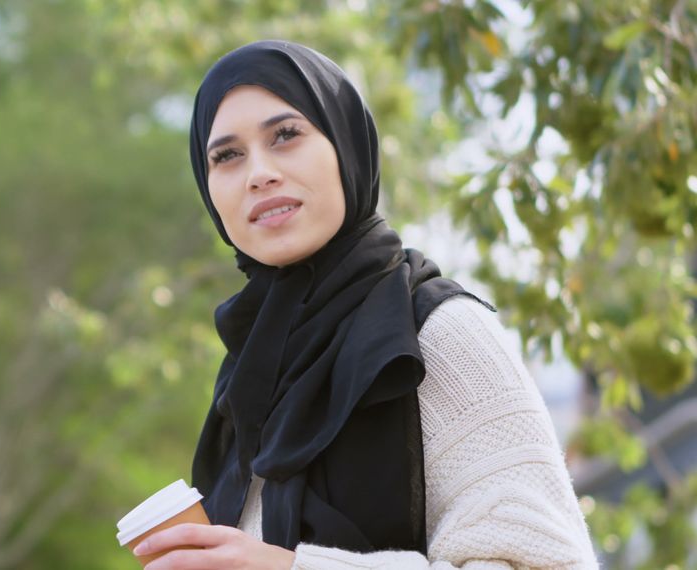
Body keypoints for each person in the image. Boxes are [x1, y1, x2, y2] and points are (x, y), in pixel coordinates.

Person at [130, 41, 598, 569]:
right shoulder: (253, 374)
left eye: (285, 135)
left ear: (346, 144)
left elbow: (547, 562)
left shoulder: (437, 334)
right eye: (227, 155)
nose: (258, 172)